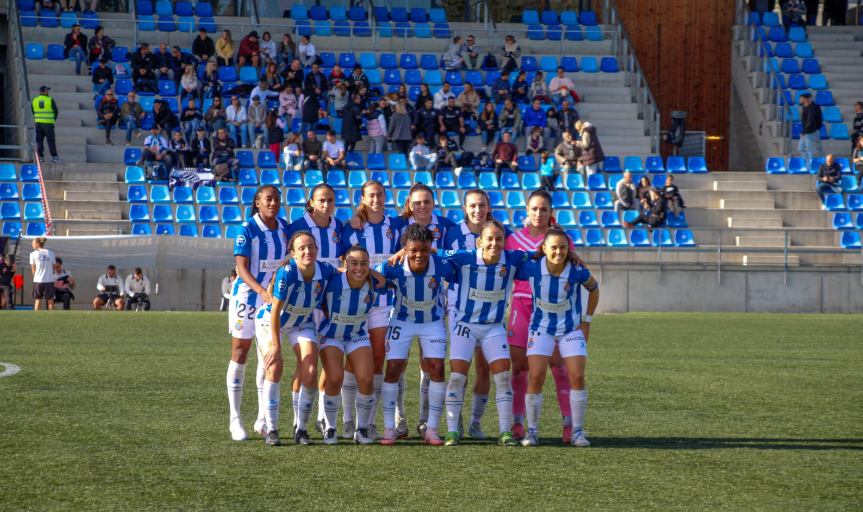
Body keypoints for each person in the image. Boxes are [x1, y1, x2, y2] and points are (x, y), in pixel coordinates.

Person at [505, 190, 585, 443]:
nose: (538, 214)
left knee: (559, 367)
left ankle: (569, 425)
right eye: (534, 209)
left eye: (543, 209)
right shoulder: (513, 240)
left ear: (551, 213)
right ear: (526, 212)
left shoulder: (562, 240)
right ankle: (518, 423)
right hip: (522, 306)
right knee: (519, 368)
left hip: (555, 312)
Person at [515, 229, 599, 447]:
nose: (558, 252)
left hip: (570, 330)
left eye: (563, 247)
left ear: (569, 249)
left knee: (577, 376)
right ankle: (532, 431)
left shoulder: (577, 270)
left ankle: (577, 432)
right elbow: (508, 265)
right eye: (553, 247)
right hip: (541, 328)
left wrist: (587, 320)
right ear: (544, 249)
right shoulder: (531, 267)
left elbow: (594, 289)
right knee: (536, 377)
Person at [375, 224, 456, 445]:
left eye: (424, 249)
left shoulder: (442, 265)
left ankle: (432, 429)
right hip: (402, 320)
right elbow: (369, 275)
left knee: (437, 369)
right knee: (393, 369)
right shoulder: (393, 266)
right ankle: (389, 428)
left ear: (431, 247)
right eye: (413, 250)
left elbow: (464, 269)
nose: (419, 255)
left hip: (432, 322)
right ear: (405, 249)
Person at [256, 231, 337, 446]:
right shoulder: (288, 272)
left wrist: (374, 274)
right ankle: (272, 429)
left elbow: (347, 273)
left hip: (302, 322)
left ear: (317, 250)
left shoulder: (325, 270)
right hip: (272, 321)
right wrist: (276, 346)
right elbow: (274, 312)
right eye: (301, 248)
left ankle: (301, 429)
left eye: (311, 246)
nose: (307, 251)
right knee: (275, 366)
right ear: (293, 253)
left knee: (310, 373)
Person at [340, 181, 403, 440]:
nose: (376, 199)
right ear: (363, 198)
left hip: (383, 304)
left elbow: (411, 245)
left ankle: (369, 422)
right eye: (371, 195)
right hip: (354, 303)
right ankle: (345, 420)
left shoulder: (397, 225)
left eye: (380, 194)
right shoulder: (351, 227)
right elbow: (344, 262)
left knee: (378, 360)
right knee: (351, 362)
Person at [226, 185, 289, 442]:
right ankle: (234, 419)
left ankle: (263, 419)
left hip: (271, 301)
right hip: (248, 297)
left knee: (269, 355)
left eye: (276, 199)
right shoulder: (247, 229)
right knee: (241, 353)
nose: (273, 203)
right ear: (258, 202)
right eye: (268, 199)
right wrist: (263, 292)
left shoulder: (285, 227)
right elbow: (241, 269)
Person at [316, 244, 388, 445]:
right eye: (354, 263)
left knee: (366, 379)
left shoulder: (375, 283)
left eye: (364, 263)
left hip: (357, 335)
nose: (359, 268)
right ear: (345, 263)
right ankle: (330, 428)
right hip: (331, 336)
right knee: (335, 378)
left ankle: (361, 429)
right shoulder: (331, 280)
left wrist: (372, 271)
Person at [32, 86, 62, 164]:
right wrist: (52, 119)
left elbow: (33, 112)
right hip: (48, 124)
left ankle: (40, 157)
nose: (48, 92)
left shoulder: (34, 100)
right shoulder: (50, 100)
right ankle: (54, 157)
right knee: (51, 141)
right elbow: (56, 111)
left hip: (38, 124)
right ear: (45, 92)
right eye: (47, 90)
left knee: (40, 141)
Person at [29, 237, 56, 311]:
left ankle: (37, 317)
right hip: (49, 280)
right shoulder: (51, 253)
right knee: (50, 301)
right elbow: (53, 266)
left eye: (33, 244)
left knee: (38, 300)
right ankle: (52, 317)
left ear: (37, 244)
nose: (32, 245)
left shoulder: (33, 254)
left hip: (38, 280)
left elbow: (33, 269)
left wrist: (37, 276)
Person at [799, 93, 823, 170]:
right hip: (806, 132)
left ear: (805, 99)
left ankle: (810, 166)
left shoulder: (811, 108)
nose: (800, 100)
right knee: (800, 148)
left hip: (809, 131)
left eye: (801, 99)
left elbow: (810, 120)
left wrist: (804, 131)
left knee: (809, 149)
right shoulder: (805, 108)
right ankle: (808, 162)